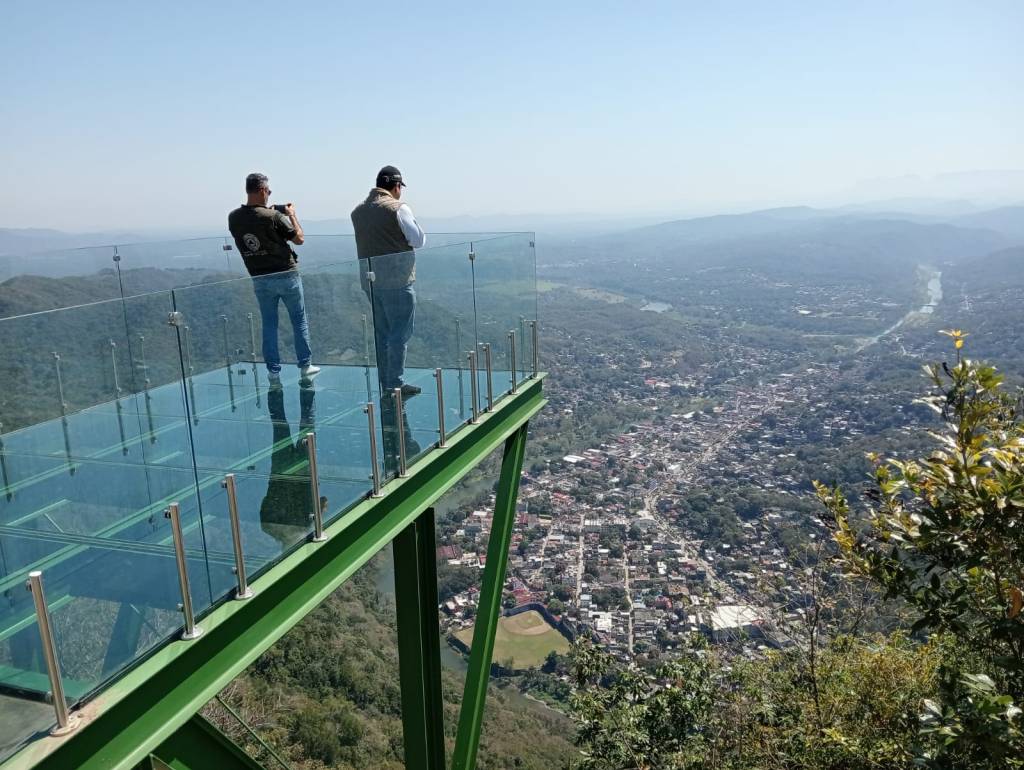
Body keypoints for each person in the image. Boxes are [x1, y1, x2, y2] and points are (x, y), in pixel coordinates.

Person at [228, 172, 320, 383]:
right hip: (286, 275)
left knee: (269, 324)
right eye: (268, 191)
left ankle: (273, 372)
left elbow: (254, 223)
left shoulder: (234, 217)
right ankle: (305, 366)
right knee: (299, 321)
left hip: (260, 277)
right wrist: (291, 215)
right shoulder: (273, 217)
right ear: (261, 190)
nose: (269, 194)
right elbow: (299, 239)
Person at [350, 165, 426, 397]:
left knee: (382, 333)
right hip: (397, 280)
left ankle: (386, 382)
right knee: (399, 333)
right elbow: (418, 239)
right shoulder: (398, 208)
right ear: (396, 186)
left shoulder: (358, 211)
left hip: (371, 281)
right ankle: (396, 383)